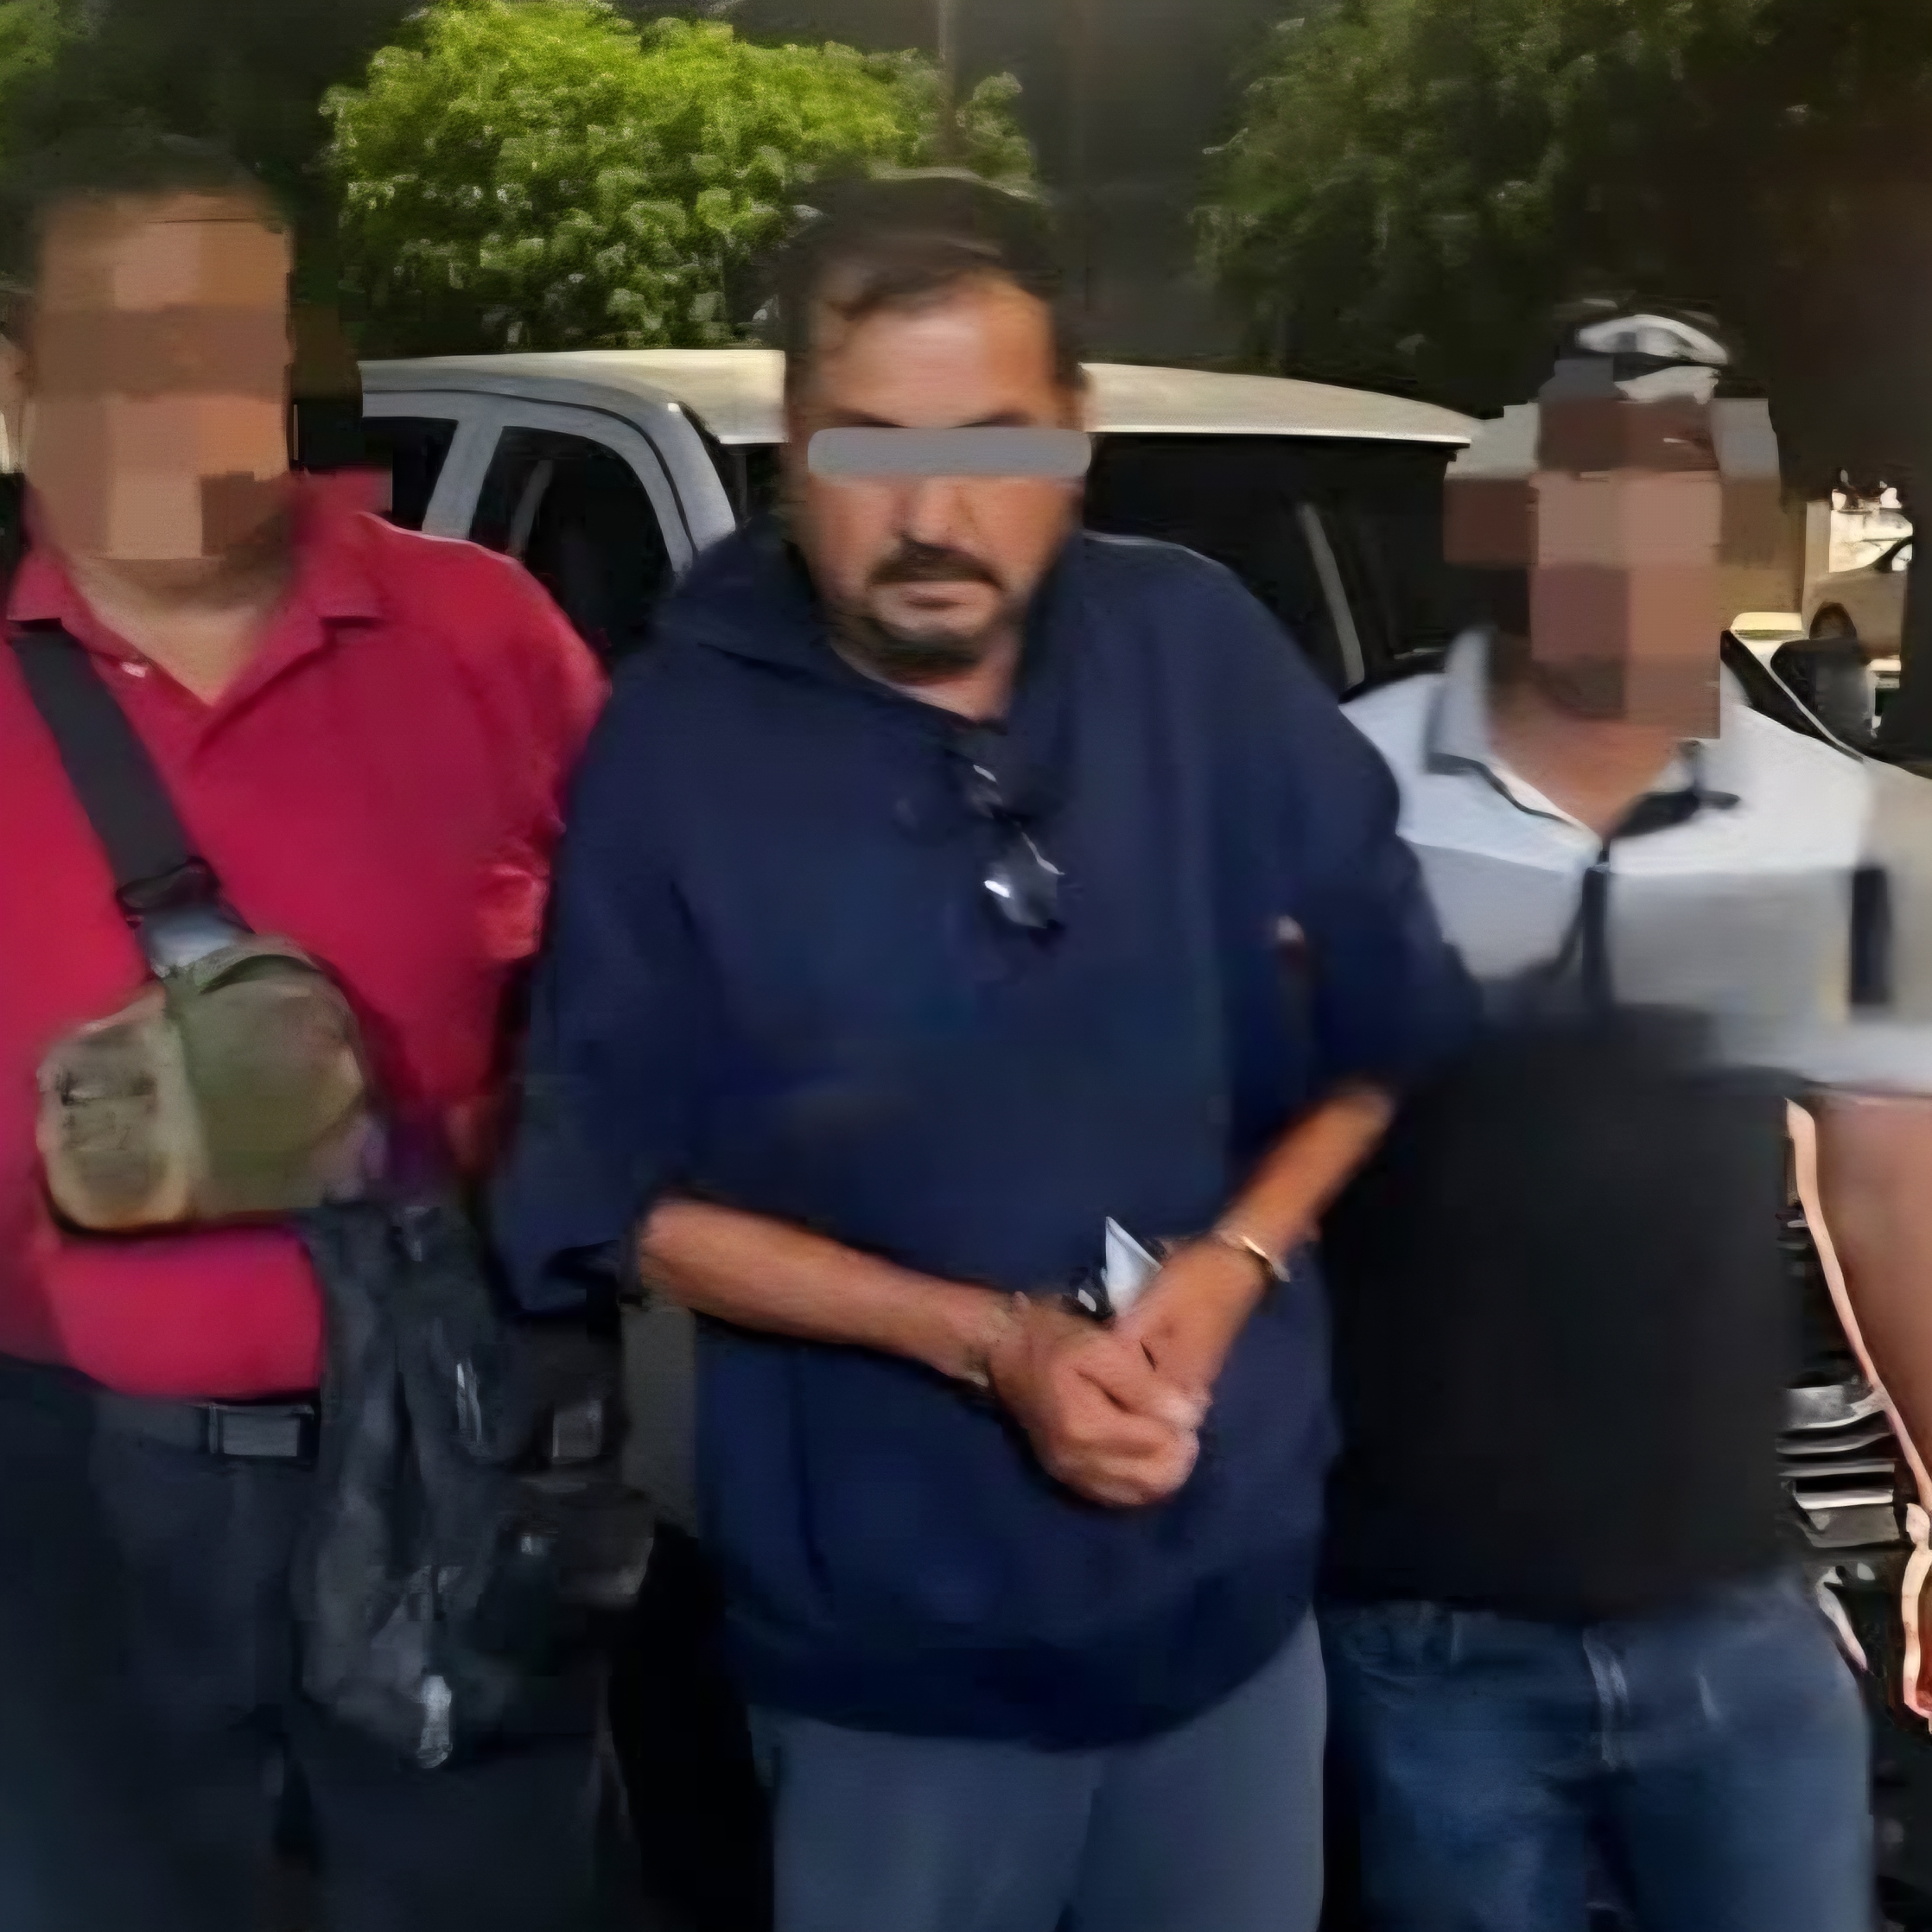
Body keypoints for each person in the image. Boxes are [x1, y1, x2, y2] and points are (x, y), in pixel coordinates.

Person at [493, 170, 1474, 1932]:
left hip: (1232, 1628)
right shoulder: (678, 748)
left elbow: (1389, 1012)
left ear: (1073, 441)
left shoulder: (1193, 650)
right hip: (890, 1677)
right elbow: (600, 1193)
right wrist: (989, 1341)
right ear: (795, 449)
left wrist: (1236, 1262)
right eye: (868, 449)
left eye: (991, 445)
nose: (931, 515)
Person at [0, 130, 632, 1932]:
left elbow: (651, 996)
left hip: (452, 1466)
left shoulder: (482, 636)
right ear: (21, 379)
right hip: (67, 1512)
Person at [1325, 313, 1932, 1932]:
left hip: (1737, 1626)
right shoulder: (1345, 788)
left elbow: (1889, 1196)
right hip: (1421, 1644)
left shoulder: (1844, 827)